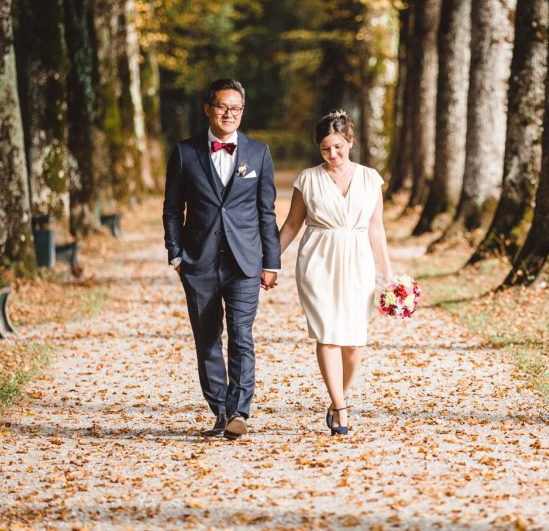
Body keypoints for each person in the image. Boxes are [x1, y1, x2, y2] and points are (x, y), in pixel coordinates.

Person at [162, 79, 280, 440]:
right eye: (222, 107)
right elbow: (171, 209)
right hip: (199, 263)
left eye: (236, 108)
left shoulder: (259, 153)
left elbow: (266, 212)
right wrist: (176, 255)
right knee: (208, 338)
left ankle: (239, 412)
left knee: (242, 336)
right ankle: (220, 410)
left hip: (245, 261)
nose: (229, 114)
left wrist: (270, 261)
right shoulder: (184, 153)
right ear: (208, 109)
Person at [278, 110, 393, 436]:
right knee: (327, 335)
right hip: (317, 261)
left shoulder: (371, 178)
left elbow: (376, 228)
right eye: (326, 148)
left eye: (339, 147)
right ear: (318, 147)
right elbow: (291, 225)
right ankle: (340, 407)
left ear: (350, 142)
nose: (333, 155)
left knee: (354, 343)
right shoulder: (308, 179)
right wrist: (267, 260)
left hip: (357, 260)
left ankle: (338, 397)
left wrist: (388, 273)